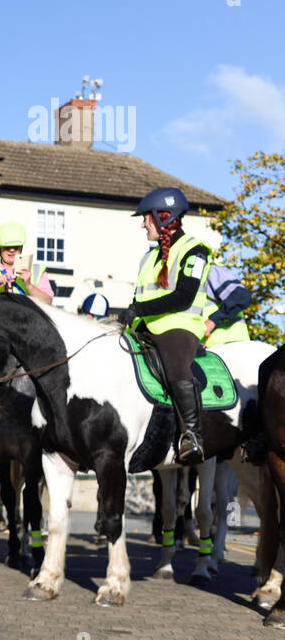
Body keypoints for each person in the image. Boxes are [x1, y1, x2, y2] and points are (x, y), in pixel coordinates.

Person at [118, 187, 211, 465]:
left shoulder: (195, 251)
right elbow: (138, 298)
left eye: (145, 218)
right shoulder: (148, 258)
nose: (143, 224)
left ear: (162, 217)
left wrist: (140, 310)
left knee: (175, 365)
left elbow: (184, 296)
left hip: (180, 327)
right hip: (144, 327)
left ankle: (192, 436)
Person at [0, 222, 54, 303]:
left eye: (16, 247)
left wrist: (28, 285)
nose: (12, 250)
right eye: (7, 247)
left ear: (21, 247)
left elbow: (48, 301)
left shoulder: (37, 271)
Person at [201, 263, 251, 346]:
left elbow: (241, 296)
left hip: (231, 346)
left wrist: (212, 320)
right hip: (206, 351)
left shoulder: (210, 271)